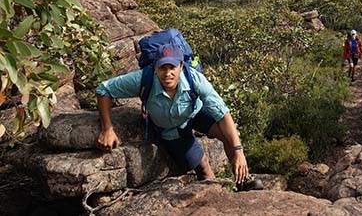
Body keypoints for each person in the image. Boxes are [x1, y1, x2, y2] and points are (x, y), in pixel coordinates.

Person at [95, 43, 262, 190]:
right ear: (155, 67)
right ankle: (213, 197)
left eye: (172, 67)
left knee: (228, 136)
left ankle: (243, 180)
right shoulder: (143, 79)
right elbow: (104, 89)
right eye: (162, 68)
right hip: (171, 128)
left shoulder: (194, 79)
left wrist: (238, 152)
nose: (167, 73)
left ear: (181, 66)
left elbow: (223, 114)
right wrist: (107, 128)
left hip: (195, 113)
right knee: (202, 167)